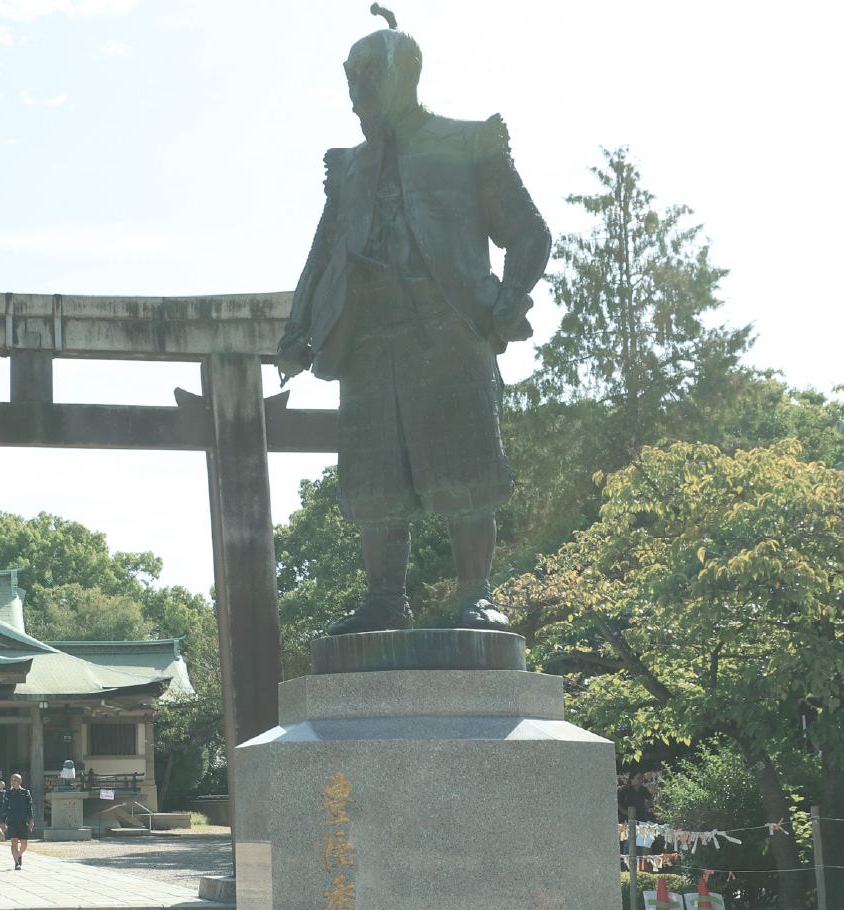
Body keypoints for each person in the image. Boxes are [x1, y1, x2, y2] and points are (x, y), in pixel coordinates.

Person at [276, 4, 550, 633]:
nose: (355, 103)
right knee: (374, 482)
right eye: (350, 89)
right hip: (369, 336)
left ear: (400, 77)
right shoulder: (349, 168)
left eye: (365, 86)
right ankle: (383, 599)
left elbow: (529, 234)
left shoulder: (465, 141)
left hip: (449, 329)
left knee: (467, 472)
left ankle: (475, 594)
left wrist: (507, 305)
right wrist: (297, 332)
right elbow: (323, 255)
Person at [2, 772, 34, 870]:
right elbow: (4, 809)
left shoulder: (25, 793)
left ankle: (20, 855)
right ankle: (16, 863)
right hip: (12, 821)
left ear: (20, 781)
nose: (13, 782)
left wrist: (31, 819)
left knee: (24, 844)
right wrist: (3, 822)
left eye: (15, 780)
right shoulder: (7, 794)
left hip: (23, 820)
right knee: (14, 841)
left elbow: (29, 807)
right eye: (12, 780)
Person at [617, 772, 656, 853]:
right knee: (629, 844)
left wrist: (646, 808)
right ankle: (627, 864)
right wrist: (623, 811)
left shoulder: (643, 790)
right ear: (632, 779)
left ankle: (638, 863)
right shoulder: (626, 790)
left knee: (640, 845)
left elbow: (650, 798)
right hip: (629, 820)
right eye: (638, 778)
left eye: (641, 779)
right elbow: (617, 801)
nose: (640, 780)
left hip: (641, 819)